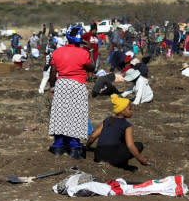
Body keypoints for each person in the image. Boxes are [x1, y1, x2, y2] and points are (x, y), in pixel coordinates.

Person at [48, 26, 95, 159]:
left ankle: (58, 147)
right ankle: (74, 148)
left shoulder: (58, 52)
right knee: (76, 117)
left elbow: (53, 72)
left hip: (62, 85)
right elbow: (92, 67)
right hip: (77, 86)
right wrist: (90, 49)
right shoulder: (83, 53)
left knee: (61, 117)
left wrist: (52, 87)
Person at [86, 94, 149, 170]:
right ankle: (121, 163)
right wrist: (141, 160)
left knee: (121, 140)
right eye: (129, 109)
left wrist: (87, 147)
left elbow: (93, 136)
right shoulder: (127, 125)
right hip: (113, 158)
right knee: (139, 145)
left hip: (98, 156)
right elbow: (130, 146)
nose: (131, 112)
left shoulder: (107, 120)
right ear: (122, 111)